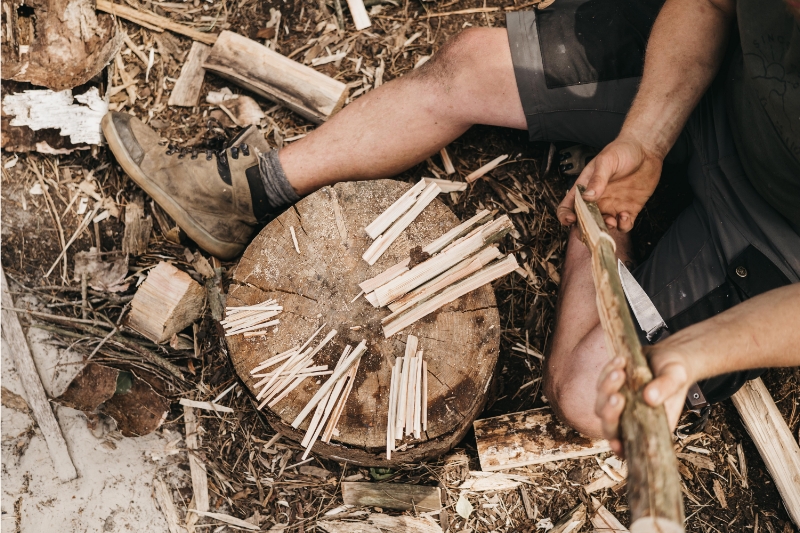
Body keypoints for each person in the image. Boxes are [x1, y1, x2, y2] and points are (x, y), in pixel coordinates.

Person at [102, 0, 799, 438]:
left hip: (769, 229)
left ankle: (603, 217)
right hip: (708, 75)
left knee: (592, 396)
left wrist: (692, 354)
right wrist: (647, 135)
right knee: (468, 67)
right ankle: (249, 191)